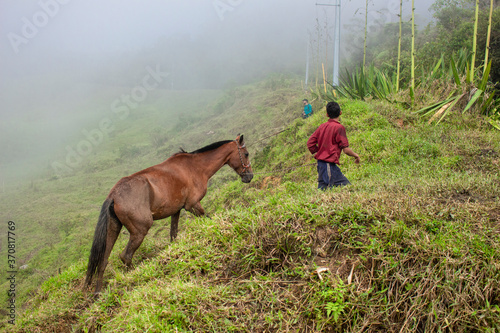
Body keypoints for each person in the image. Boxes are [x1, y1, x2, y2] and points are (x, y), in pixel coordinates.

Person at [307, 101, 360, 189]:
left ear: (327, 114)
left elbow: (310, 143)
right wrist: (356, 156)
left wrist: (320, 150)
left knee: (347, 187)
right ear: (340, 112)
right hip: (327, 165)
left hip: (328, 166)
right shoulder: (339, 127)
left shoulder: (322, 126)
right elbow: (346, 150)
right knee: (325, 190)